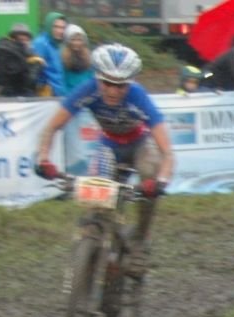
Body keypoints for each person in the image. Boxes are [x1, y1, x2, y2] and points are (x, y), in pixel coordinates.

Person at [34, 44, 175, 278]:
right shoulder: (88, 89)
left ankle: (140, 240)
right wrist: (43, 157)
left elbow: (167, 152)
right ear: (97, 77)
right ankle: (94, 235)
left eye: (120, 85)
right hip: (109, 145)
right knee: (96, 193)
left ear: (130, 83)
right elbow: (52, 127)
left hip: (140, 144)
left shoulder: (138, 95)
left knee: (149, 172)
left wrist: (161, 181)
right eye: (106, 83)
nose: (112, 91)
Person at [0, 24, 44, 98]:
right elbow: (27, 81)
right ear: (13, 39)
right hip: (17, 97)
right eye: (21, 40)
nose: (25, 43)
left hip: (7, 94)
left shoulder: (3, 50)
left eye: (27, 40)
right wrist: (36, 66)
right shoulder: (12, 54)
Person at [58, 25, 95, 96]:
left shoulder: (89, 58)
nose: (76, 43)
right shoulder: (62, 58)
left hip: (86, 95)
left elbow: (91, 78)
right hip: (69, 95)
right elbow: (61, 80)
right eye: (73, 40)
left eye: (79, 40)